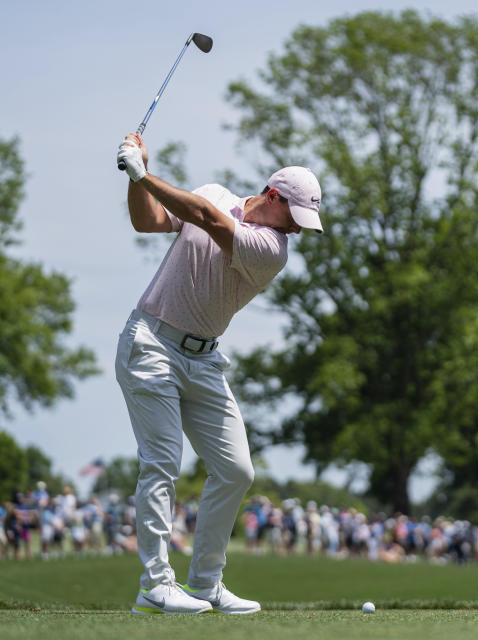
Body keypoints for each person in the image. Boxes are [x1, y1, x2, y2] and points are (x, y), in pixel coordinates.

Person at [114, 134, 323, 615]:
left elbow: (207, 220)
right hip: (151, 343)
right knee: (163, 462)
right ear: (272, 197)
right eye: (294, 217)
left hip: (204, 359)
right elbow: (147, 221)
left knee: (235, 470)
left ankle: (205, 584)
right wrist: (136, 177)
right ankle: (155, 585)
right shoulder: (213, 192)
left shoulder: (271, 248)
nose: (296, 230)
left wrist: (146, 175)